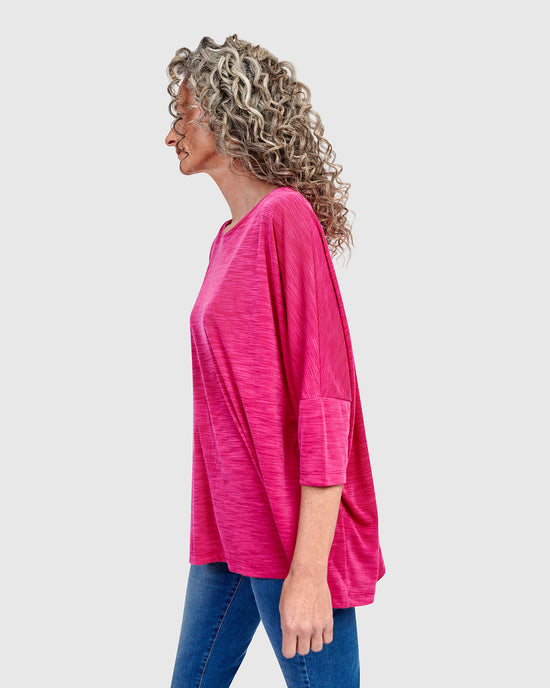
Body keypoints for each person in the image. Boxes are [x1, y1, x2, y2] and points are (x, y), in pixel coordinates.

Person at [164, 34, 385, 688]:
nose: (170, 134)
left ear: (228, 115)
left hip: (291, 537)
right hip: (228, 534)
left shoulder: (285, 219)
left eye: (183, 115)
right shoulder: (227, 241)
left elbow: (326, 403)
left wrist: (309, 572)